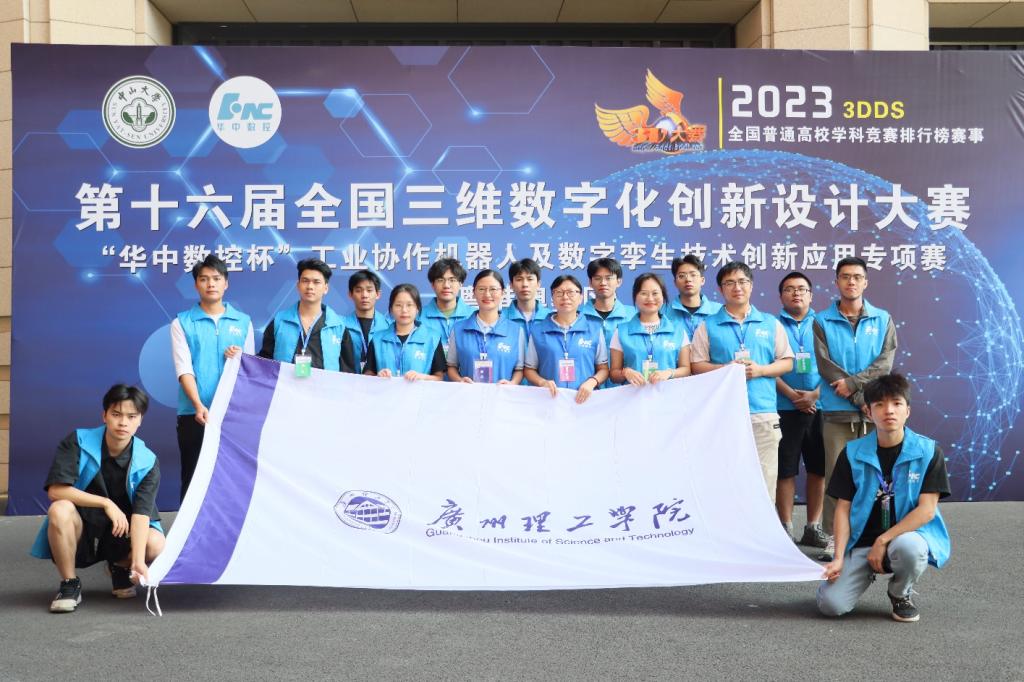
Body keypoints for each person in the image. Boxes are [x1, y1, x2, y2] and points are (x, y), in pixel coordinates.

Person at [818, 374, 950, 623]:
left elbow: (927, 511)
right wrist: (838, 558)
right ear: (868, 412)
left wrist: (883, 540)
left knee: (910, 548)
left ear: (907, 411)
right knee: (830, 605)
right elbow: (843, 509)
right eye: (879, 404)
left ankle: (900, 592)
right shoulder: (852, 453)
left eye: (896, 403)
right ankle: (862, 571)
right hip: (862, 542)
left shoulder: (929, 451)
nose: (889, 410)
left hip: (903, 539)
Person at [30, 385, 165, 613]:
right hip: (81, 528)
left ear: (140, 420)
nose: (123, 423)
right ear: (104, 415)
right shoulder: (78, 441)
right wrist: (106, 503)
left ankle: (120, 567)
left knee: (156, 543)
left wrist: (138, 561)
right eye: (116, 414)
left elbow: (142, 513)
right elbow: (56, 491)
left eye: (131, 416)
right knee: (59, 509)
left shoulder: (148, 461)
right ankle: (70, 583)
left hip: (122, 531)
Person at [813, 256, 898, 559]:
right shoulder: (822, 320)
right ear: (837, 281)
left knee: (879, 477)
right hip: (837, 413)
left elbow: (884, 363)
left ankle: (878, 534)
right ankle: (834, 537)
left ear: (865, 282)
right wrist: (859, 399)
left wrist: (858, 388)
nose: (851, 282)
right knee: (836, 476)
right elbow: (825, 365)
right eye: (845, 276)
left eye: (857, 277)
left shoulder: (883, 318)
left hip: (875, 414)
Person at [690, 262, 794, 502]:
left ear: (751, 285)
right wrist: (727, 370)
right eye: (729, 283)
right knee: (726, 479)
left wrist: (760, 370)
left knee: (765, 481)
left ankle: (763, 527)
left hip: (763, 413)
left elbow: (787, 362)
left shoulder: (770, 323)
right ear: (720, 289)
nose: (737, 287)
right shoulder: (708, 326)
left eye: (742, 282)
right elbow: (696, 365)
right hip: (723, 415)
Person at [171, 255, 254, 502]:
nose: (211, 284)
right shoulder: (182, 322)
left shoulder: (243, 322)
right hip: (194, 414)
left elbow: (249, 370)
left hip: (233, 414)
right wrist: (198, 405)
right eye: (204, 279)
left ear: (226, 283)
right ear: (196, 284)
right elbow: (184, 369)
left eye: (216, 278)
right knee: (193, 477)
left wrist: (239, 357)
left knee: (232, 478)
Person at [774, 271, 828, 547]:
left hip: (820, 406)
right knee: (785, 470)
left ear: (811, 295)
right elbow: (767, 366)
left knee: (819, 469)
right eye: (789, 289)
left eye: (801, 289)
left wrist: (815, 395)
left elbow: (836, 365)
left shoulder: (824, 324)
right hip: (784, 406)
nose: (796, 293)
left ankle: (813, 527)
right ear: (781, 296)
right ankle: (785, 528)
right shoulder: (772, 325)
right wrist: (792, 395)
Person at [524, 275, 609, 404]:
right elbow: (529, 369)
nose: (565, 297)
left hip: (585, 401)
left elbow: (603, 369)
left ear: (580, 298)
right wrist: (542, 382)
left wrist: (592, 382)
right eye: (559, 292)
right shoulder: (538, 331)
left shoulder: (594, 330)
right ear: (552, 298)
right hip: (550, 401)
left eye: (571, 292)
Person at [259, 258, 353, 374]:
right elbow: (264, 362)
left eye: (316, 282)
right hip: (286, 385)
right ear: (298, 285)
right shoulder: (279, 321)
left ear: (326, 288)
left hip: (325, 386)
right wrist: (240, 357)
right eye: (305, 281)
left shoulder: (338, 326)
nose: (310, 286)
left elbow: (348, 372)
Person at [609, 272, 691, 386]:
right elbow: (613, 374)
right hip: (633, 395)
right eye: (644, 293)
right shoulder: (621, 331)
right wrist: (625, 372)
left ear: (663, 297)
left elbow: (686, 369)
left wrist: (669, 373)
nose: (650, 298)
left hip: (669, 395)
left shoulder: (678, 331)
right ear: (635, 297)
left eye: (655, 293)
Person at [447, 270, 526, 384]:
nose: (487, 294)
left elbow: (519, 369)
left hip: (502, 394)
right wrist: (459, 380)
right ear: (473, 293)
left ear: (503, 293)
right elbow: (451, 366)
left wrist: (512, 383)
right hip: (468, 394)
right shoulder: (458, 329)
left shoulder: (516, 331)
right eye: (481, 289)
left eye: (493, 289)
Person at [364, 284, 445, 381]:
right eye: (398, 305)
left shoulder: (432, 338)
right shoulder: (377, 339)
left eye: (409, 305)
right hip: (385, 391)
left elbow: (439, 377)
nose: (404, 310)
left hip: (420, 391)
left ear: (417, 309)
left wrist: (422, 377)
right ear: (391, 309)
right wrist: (378, 376)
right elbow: (367, 375)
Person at [419, 257, 473, 356]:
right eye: (440, 280)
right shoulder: (418, 316)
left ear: (461, 284)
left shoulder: (474, 315)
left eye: (452, 280)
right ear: (432, 285)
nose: (446, 285)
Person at [664, 254, 722, 341]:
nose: (688, 279)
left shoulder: (719, 311)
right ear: (675, 282)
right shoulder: (664, 312)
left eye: (693, 275)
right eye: (682, 276)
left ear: (702, 280)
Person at [341, 269, 389, 372]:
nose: (364, 295)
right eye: (358, 290)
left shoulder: (389, 326)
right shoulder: (341, 326)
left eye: (369, 290)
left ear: (378, 294)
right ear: (350, 294)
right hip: (348, 380)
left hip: (380, 380)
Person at [502, 258, 552, 340]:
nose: (525, 284)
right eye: (519, 279)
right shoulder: (501, 318)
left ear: (538, 284)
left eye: (530, 279)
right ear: (511, 285)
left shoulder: (550, 317)